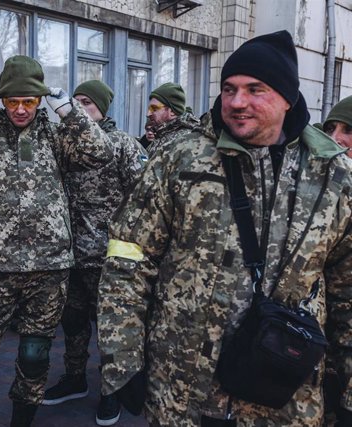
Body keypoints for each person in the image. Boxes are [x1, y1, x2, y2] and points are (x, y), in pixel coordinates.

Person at [97, 30, 352, 426]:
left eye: (256, 89)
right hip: (181, 390)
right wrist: (122, 357)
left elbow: (347, 290)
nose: (237, 102)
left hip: (283, 396)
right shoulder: (180, 158)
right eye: (229, 88)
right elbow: (128, 256)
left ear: (287, 97)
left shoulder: (333, 176)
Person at [0, 55, 112, 427]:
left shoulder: (58, 136)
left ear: (41, 99)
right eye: (13, 101)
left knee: (34, 354)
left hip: (49, 267)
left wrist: (71, 111)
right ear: (3, 100)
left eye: (29, 101)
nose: (21, 109)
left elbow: (101, 153)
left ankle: (21, 421)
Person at [42, 80, 147, 427]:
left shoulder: (122, 144)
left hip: (107, 256)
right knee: (72, 322)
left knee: (110, 328)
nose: (82, 107)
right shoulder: (64, 142)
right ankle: (74, 378)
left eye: (88, 102)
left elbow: (143, 197)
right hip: (68, 253)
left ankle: (110, 390)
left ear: (103, 108)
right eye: (78, 102)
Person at [144, 82, 199, 155]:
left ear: (172, 111)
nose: (148, 114)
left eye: (154, 108)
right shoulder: (161, 136)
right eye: (149, 109)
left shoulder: (186, 141)